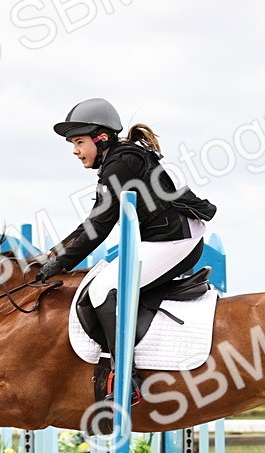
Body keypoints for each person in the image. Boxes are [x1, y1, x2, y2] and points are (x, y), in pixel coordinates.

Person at [33, 98, 216, 404]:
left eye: (79, 142)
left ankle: (126, 380)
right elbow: (91, 223)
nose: (75, 151)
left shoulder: (119, 164)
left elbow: (99, 225)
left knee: (104, 289)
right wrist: (52, 257)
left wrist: (59, 262)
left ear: (100, 138)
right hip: (163, 237)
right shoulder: (118, 160)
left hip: (175, 241)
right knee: (101, 280)